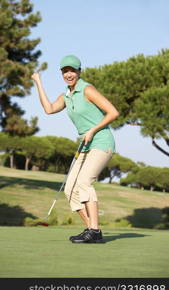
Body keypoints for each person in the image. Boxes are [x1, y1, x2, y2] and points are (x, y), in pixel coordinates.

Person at [31, 55, 119, 243]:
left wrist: (93, 129)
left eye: (72, 70)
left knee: (84, 183)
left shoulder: (87, 89)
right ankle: (92, 229)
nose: (69, 74)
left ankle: (94, 230)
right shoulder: (66, 96)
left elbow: (113, 112)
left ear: (79, 71)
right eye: (65, 71)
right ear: (62, 73)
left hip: (102, 141)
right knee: (70, 189)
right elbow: (49, 109)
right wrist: (38, 82)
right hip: (86, 145)